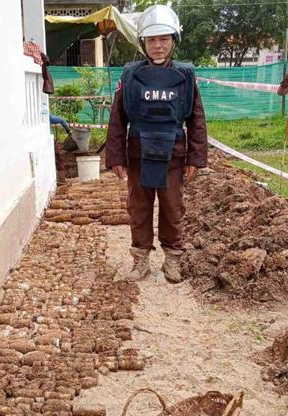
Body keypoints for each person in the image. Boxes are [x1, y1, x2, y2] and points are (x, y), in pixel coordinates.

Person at [105, 4, 208, 283]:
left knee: (173, 208)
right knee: (138, 207)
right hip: (139, 154)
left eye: (164, 39)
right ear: (143, 43)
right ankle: (140, 261)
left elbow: (196, 120)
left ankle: (172, 260)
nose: (158, 46)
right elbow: (117, 119)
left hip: (173, 156)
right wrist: (115, 157)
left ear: (173, 41)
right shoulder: (130, 77)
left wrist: (195, 158)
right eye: (152, 40)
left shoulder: (185, 77)